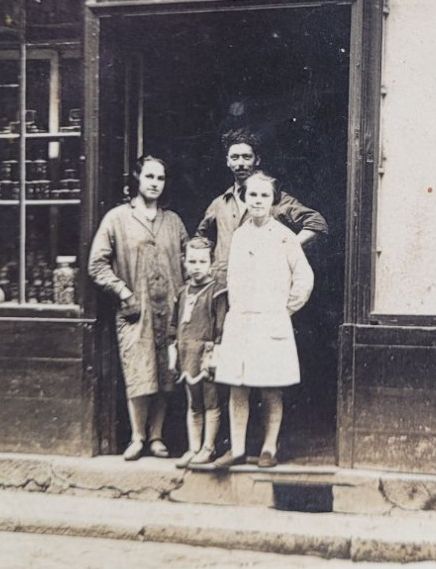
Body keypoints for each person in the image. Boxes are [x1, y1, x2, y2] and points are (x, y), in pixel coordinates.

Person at [208, 170, 313, 470]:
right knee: (237, 386)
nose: (257, 200)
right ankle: (238, 448)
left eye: (264, 195)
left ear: (272, 200)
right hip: (241, 321)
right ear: (244, 197)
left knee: (270, 387)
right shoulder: (239, 236)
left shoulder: (284, 236)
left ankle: (269, 447)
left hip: (271, 323)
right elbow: (233, 279)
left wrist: (284, 310)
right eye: (252, 195)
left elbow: (304, 279)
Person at [87, 155, 187, 462]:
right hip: (136, 309)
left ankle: (156, 437)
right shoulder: (117, 218)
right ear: (137, 179)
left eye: (160, 178)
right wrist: (122, 289)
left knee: (165, 373)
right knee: (139, 372)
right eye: (149, 177)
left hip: (169, 308)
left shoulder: (173, 221)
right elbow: (97, 263)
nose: (155, 183)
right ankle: (137, 436)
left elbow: (189, 260)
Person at [197, 129, 327, 285]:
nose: (240, 164)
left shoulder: (274, 198)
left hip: (261, 287)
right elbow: (202, 239)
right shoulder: (219, 204)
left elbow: (316, 223)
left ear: (257, 160)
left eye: (246, 157)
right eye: (235, 158)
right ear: (228, 161)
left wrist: (284, 249)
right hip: (221, 289)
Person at [169, 235, 228, 466]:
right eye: (192, 262)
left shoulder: (217, 292)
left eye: (202, 262)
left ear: (211, 262)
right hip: (186, 352)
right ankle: (193, 448)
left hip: (207, 353)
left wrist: (215, 354)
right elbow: (174, 326)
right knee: (193, 403)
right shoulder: (182, 293)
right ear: (185, 262)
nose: (197, 267)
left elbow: (221, 326)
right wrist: (174, 351)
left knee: (211, 401)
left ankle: (208, 447)